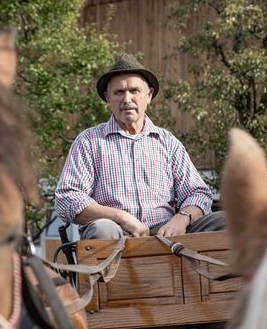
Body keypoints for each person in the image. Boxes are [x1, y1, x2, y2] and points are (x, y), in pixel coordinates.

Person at [55, 54, 225, 240]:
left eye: (134, 90)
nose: (127, 99)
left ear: (149, 95)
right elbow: (67, 198)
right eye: (119, 92)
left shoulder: (168, 142)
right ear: (107, 98)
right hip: (115, 234)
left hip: (167, 233)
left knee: (226, 221)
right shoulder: (89, 142)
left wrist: (182, 218)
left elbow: (198, 192)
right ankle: (110, 267)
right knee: (103, 228)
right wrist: (120, 217)